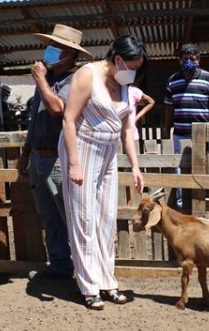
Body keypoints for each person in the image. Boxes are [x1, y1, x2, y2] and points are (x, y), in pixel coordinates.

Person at [59, 35, 146, 310]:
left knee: (106, 218)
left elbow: (127, 129)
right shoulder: (87, 75)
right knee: (84, 217)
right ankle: (88, 286)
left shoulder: (123, 83)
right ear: (118, 59)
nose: (134, 72)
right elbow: (68, 119)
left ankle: (107, 280)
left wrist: (134, 165)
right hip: (83, 147)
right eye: (132, 65)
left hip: (108, 153)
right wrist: (73, 162)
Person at [17, 24, 93, 280]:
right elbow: (35, 120)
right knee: (50, 218)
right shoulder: (49, 80)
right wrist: (25, 154)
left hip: (59, 160)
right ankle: (61, 266)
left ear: (70, 54)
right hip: (39, 158)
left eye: (55, 47)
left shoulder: (74, 80)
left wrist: (38, 79)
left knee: (71, 218)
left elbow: (57, 109)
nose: (48, 52)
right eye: (49, 46)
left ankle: (84, 272)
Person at [163, 42, 209, 208]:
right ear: (179, 60)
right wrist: (165, 130)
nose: (188, 62)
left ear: (198, 60)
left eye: (192, 58)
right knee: (179, 170)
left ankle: (208, 204)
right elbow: (169, 107)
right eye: (185, 58)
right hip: (180, 133)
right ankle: (182, 206)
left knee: (206, 168)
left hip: (203, 135)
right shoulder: (172, 80)